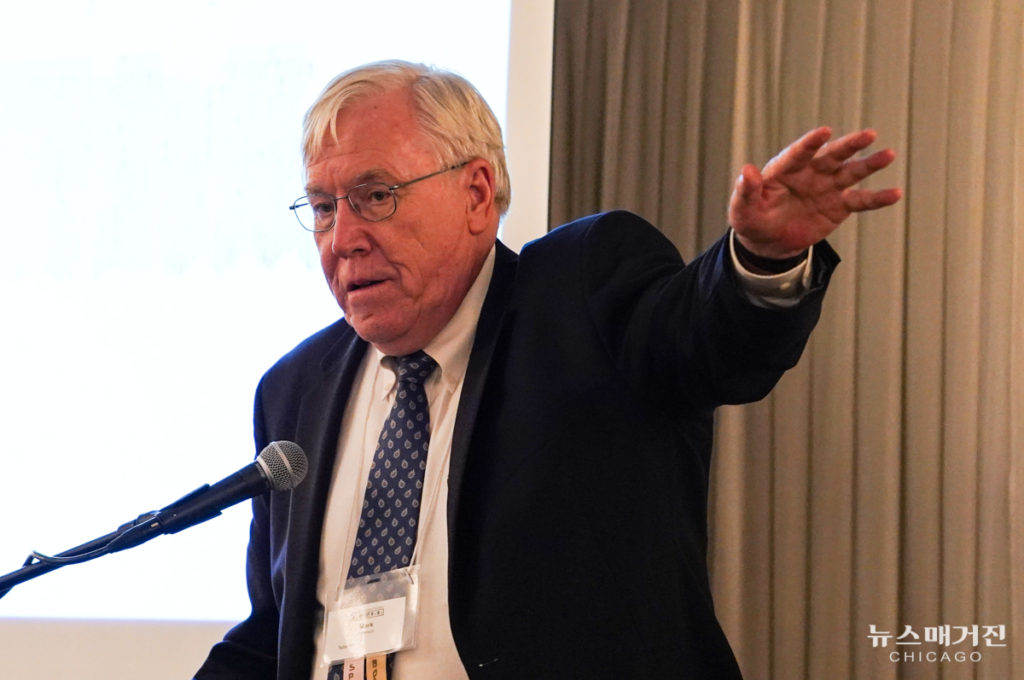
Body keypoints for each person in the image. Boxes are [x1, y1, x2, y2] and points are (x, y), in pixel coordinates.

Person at [195, 60, 900, 680]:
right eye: (323, 208)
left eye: (376, 196)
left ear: (477, 194)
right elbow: (280, 635)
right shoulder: (294, 389)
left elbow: (709, 342)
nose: (343, 239)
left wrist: (763, 260)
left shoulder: (580, 294)